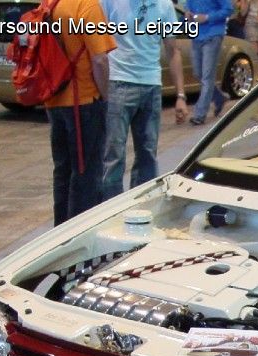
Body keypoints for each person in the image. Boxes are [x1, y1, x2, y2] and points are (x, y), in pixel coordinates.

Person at [100, 0, 189, 201]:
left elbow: (173, 50)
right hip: (118, 83)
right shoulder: (109, 2)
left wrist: (181, 96)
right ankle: (111, 209)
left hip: (151, 86)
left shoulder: (164, 5)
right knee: (113, 156)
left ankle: (141, 207)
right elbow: (97, 44)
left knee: (147, 155)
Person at [44, 0, 116, 225]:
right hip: (83, 102)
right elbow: (100, 60)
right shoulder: (86, 6)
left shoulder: (50, 4)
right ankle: (81, 233)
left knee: (63, 172)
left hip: (54, 101)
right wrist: (105, 95)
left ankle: (60, 231)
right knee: (86, 174)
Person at [186, 0, 232, 125]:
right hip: (196, 36)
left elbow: (228, 9)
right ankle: (219, 97)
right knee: (198, 73)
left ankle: (199, 114)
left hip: (213, 34)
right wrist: (188, 15)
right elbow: (188, 8)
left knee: (207, 76)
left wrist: (207, 17)